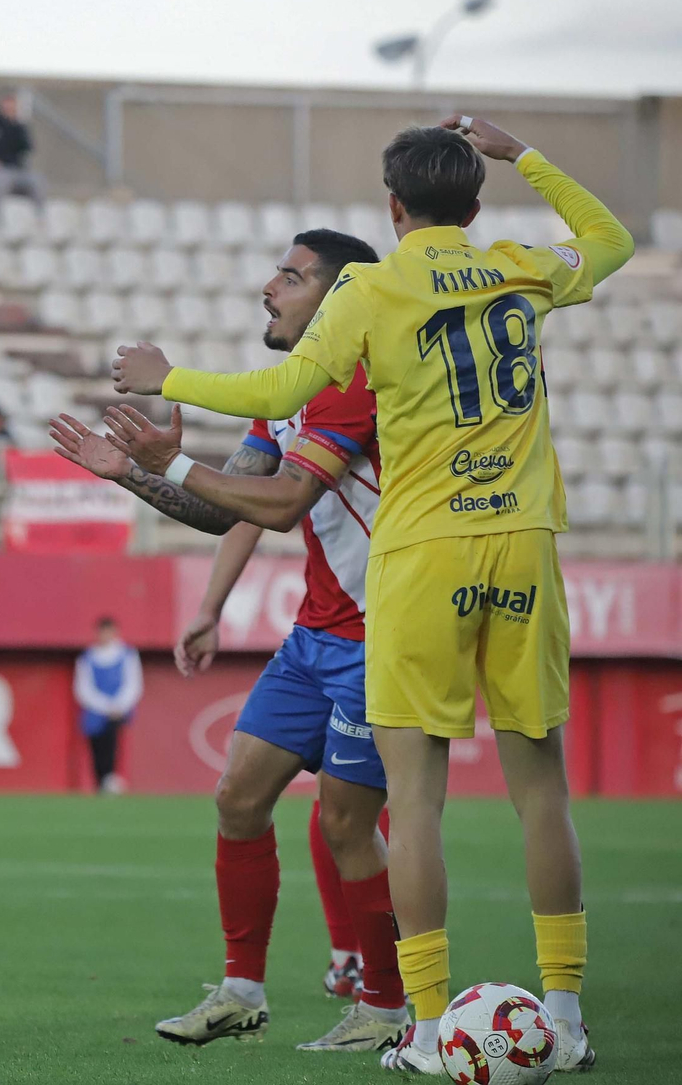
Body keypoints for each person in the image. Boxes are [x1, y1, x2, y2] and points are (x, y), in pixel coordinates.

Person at [110, 117, 634, 1075]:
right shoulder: (520, 264)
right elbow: (612, 240)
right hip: (523, 548)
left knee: (415, 804)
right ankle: (563, 1016)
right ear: (475, 206)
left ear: (394, 207)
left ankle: (426, 1030)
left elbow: (285, 383)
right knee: (543, 792)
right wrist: (529, 159)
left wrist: (169, 380)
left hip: (423, 557)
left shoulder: (375, 287)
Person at [53, 228, 412, 1052]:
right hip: (316, 633)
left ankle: (387, 1005)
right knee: (238, 799)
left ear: (337, 299)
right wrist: (130, 473)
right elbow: (228, 504)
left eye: (289, 276)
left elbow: (281, 506)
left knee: (347, 824)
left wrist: (169, 464)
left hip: (382, 635)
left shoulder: (355, 381)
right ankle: (242, 989)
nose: (269, 287)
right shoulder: (287, 395)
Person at [74, 617, 141, 793]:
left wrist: (119, 705)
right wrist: (105, 706)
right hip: (95, 711)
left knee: (114, 742)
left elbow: (133, 683)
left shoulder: (127, 654)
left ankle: (111, 778)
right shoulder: (87, 657)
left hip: (119, 710)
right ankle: (101, 782)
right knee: (97, 746)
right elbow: (83, 688)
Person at [0, 89, 44, 201]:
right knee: (0, 182)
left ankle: (39, 216)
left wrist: (15, 125)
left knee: (36, 181)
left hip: (15, 169)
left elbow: (27, 147)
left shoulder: (18, 127)